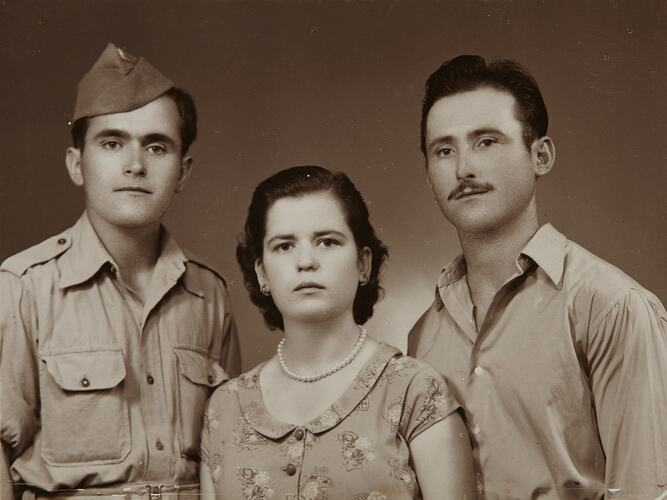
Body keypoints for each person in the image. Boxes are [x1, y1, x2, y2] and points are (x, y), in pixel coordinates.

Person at [408, 54, 667, 499]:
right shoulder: (423, 335)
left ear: (540, 155)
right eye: (444, 149)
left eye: (486, 142)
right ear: (429, 173)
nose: (463, 168)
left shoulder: (611, 306)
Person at [0, 43, 241, 500]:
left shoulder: (210, 294)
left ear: (183, 171)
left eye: (157, 146)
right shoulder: (23, 287)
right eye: (112, 143)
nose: (134, 164)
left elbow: (226, 451)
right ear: (77, 164)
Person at [200, 165, 475, 499]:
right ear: (262, 273)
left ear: (363, 264)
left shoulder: (415, 391)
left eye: (327, 242)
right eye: (284, 246)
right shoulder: (224, 408)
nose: (306, 261)